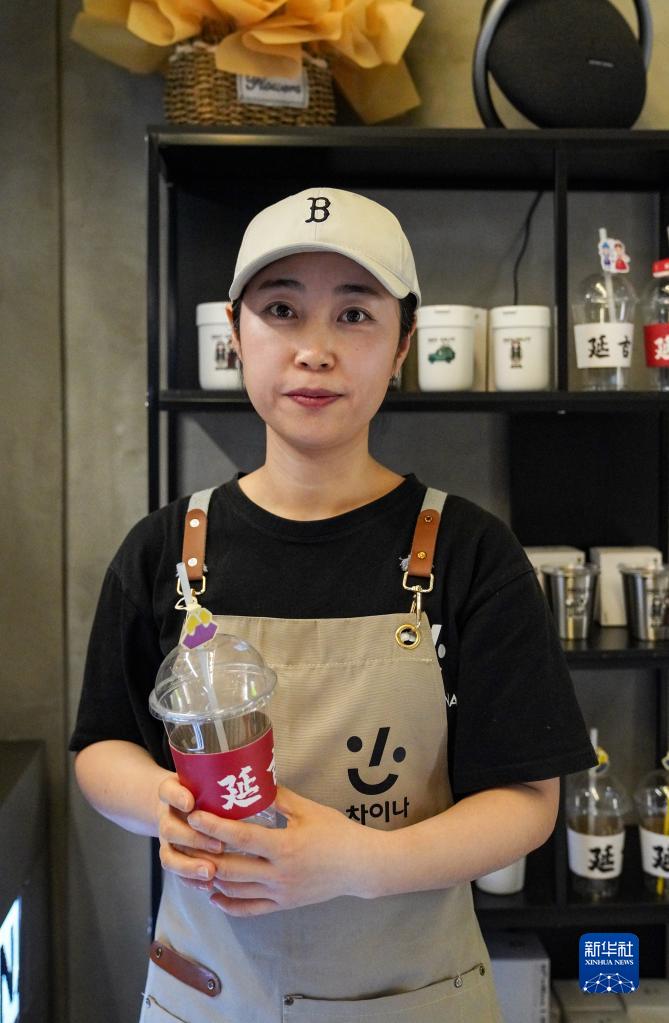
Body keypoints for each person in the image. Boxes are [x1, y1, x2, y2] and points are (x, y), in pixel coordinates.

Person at [71, 186, 596, 1022]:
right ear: (235, 333)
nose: (314, 350)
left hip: (411, 998)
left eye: (354, 314)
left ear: (401, 346)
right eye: (281, 310)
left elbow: (528, 802)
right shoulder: (164, 548)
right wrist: (159, 803)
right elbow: (102, 746)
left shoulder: (470, 552)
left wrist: (356, 862)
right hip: (208, 995)